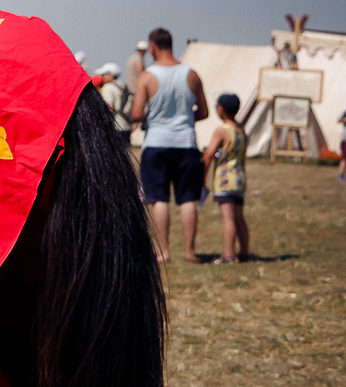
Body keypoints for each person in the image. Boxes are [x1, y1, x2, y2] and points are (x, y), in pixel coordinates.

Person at [130, 27, 208, 263]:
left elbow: (136, 113)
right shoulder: (191, 74)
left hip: (156, 142)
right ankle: (190, 252)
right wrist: (184, 119)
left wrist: (153, 117)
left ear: (153, 46)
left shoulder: (147, 76)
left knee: (159, 199)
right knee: (187, 199)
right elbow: (203, 112)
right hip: (186, 142)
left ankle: (163, 252)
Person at [202, 93, 250, 264]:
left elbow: (209, 154)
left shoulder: (221, 131)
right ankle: (244, 251)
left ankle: (229, 254)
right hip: (239, 178)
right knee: (239, 217)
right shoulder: (240, 130)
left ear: (221, 109)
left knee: (228, 217)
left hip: (225, 179)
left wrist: (203, 176)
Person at [96, 62, 133, 143]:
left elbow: (109, 108)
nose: (102, 77)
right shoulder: (122, 86)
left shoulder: (108, 87)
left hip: (115, 126)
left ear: (111, 75)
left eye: (104, 74)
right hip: (126, 125)